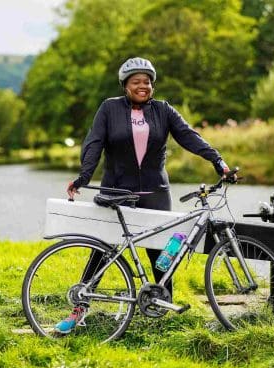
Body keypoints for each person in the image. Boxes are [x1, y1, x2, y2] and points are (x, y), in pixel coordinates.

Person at [55, 57, 234, 334]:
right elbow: (94, 143)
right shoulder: (109, 108)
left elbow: (189, 136)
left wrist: (217, 161)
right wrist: (84, 177)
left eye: (147, 82)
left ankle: (162, 304)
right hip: (117, 190)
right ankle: (80, 307)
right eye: (136, 82)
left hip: (155, 192)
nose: (143, 86)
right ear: (125, 85)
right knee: (102, 250)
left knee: (163, 251)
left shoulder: (163, 110)